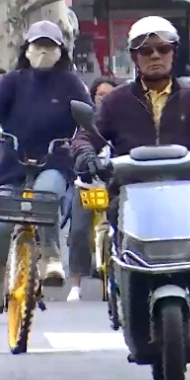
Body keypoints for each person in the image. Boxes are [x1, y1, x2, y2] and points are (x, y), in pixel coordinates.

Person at [70, 16, 190, 246]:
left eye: (163, 49)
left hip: (187, 195)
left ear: (174, 53)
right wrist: (85, 154)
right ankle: (116, 278)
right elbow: (86, 136)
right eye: (145, 51)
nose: (155, 56)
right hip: (129, 194)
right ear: (134, 57)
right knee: (122, 251)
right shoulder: (114, 101)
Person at [0, 21, 93, 313]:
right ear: (25, 49)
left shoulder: (70, 83)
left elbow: (90, 115)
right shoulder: (14, 81)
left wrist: (84, 138)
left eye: (50, 46)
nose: (43, 51)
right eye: (37, 45)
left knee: (45, 194)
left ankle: (51, 255)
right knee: (0, 226)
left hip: (55, 160)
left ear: (61, 51)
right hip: (14, 161)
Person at [65, 77, 119, 302]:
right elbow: (78, 145)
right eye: (100, 95)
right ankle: (76, 284)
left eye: (109, 95)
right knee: (77, 231)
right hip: (87, 184)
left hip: (115, 185)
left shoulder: (123, 120)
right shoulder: (86, 124)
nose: (104, 99)